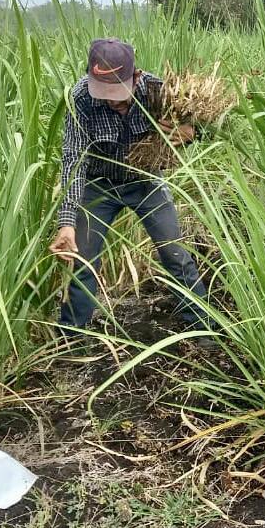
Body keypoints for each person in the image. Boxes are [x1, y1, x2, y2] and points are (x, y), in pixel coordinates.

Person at [49, 38, 211, 343]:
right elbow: (74, 158)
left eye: (118, 91)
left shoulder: (158, 91)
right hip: (99, 185)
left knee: (176, 254)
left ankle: (203, 329)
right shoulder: (81, 98)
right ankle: (72, 340)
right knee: (82, 260)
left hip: (145, 181)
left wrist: (192, 132)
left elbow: (206, 123)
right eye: (104, 91)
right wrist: (67, 223)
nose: (112, 100)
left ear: (134, 76)